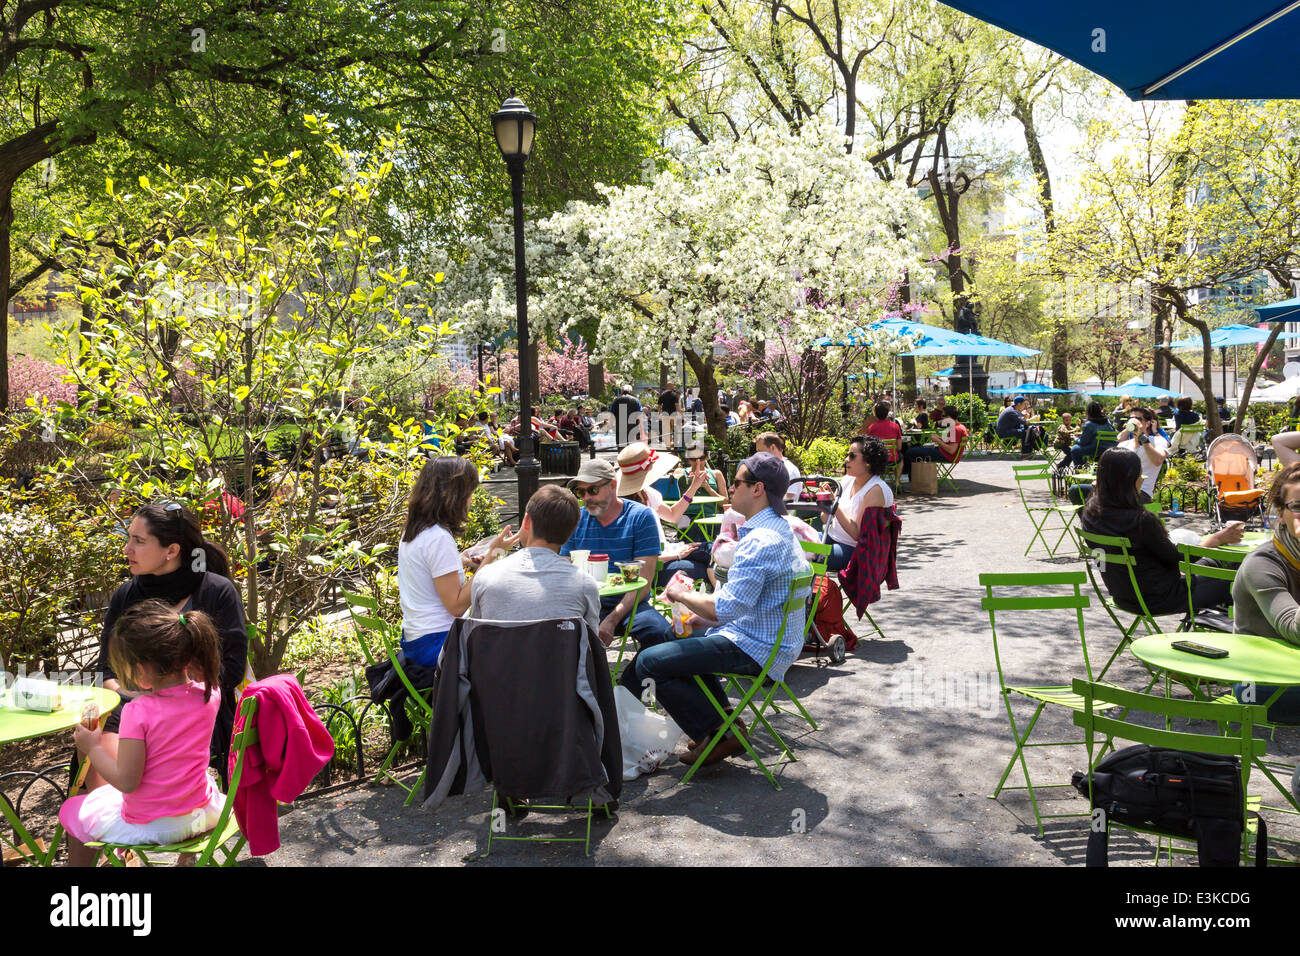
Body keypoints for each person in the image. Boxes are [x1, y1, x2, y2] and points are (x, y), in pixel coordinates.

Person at [642, 452, 810, 767]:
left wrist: (679, 594)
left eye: (736, 483)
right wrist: (701, 615)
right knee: (674, 635)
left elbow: (728, 608)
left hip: (756, 646)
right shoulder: (779, 529)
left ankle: (716, 731)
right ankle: (722, 727)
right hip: (767, 638)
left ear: (758, 489)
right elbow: (745, 602)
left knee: (651, 663)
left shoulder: (761, 540)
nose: (730, 489)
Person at [91, 501, 248, 791]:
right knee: (96, 780)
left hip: (198, 714)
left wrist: (169, 703)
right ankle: (105, 829)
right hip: (131, 711)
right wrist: (138, 702)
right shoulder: (125, 596)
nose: (127, 549)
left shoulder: (215, 591)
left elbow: (230, 671)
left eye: (138, 541)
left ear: (172, 550)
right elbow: (105, 671)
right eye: (129, 538)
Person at [62, 601, 228, 866]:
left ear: (141, 671)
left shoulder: (138, 713)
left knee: (75, 809)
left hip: (154, 825)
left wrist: (92, 747)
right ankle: (188, 857)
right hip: (200, 814)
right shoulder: (210, 694)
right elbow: (174, 703)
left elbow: (127, 782)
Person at [1079, 448, 1241, 617]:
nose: (1142, 478)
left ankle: (1202, 623)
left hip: (1124, 595)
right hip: (1161, 597)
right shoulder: (1140, 520)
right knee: (1236, 580)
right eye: (1140, 474)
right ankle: (1226, 631)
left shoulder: (1090, 514)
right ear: (1130, 479)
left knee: (1212, 563)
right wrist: (1216, 539)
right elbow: (1176, 560)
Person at [560, 458, 672, 693]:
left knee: (661, 634)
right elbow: (563, 569)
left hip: (629, 603)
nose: (586, 497)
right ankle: (574, 700)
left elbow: (643, 584)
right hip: (583, 604)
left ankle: (626, 693)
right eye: (580, 491)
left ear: (613, 485)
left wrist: (611, 619)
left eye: (592, 489)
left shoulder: (640, 517)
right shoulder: (575, 519)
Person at [398, 457, 517, 669]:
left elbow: (428, 570)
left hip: (416, 639)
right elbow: (456, 605)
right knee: (515, 648)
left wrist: (460, 559)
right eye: (470, 491)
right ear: (455, 495)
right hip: (439, 644)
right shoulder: (437, 538)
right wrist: (493, 555)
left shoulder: (414, 531)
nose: (472, 498)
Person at [470, 485, 600, 632]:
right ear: (570, 532)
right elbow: (590, 646)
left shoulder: (486, 577)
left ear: (526, 521)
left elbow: (476, 638)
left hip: (500, 655)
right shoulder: (585, 585)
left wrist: (495, 552)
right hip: (557, 655)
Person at [1229, 461, 1300, 723]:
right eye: (1298, 507)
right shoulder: (1262, 563)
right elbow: (1294, 630)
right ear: (1280, 513)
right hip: (1260, 684)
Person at [618, 443, 711, 585]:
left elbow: (672, 515)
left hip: (670, 553)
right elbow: (635, 557)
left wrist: (694, 487)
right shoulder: (623, 508)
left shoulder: (647, 493)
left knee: (715, 549)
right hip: (654, 567)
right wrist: (676, 555)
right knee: (704, 568)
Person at [821, 436, 893, 571]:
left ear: (868, 462)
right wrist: (826, 503)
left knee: (803, 554)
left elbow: (856, 534)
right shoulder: (848, 480)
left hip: (853, 550)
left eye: (852, 456)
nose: (846, 460)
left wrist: (834, 505)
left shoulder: (876, 490)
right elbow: (825, 519)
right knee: (791, 543)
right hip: (831, 536)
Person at [1117, 406, 1169, 502]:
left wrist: (1141, 436)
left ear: (1148, 423)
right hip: (1119, 489)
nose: (1134, 421)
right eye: (1131, 419)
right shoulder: (1124, 444)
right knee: (1082, 490)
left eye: (1138, 419)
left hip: (1141, 492)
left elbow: (1158, 461)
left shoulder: (1158, 441)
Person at [902, 404, 967, 479]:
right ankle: (919, 478)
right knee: (916, 448)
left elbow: (951, 450)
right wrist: (939, 439)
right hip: (946, 454)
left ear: (948, 417)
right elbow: (952, 444)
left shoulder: (955, 429)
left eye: (943, 416)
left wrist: (938, 441)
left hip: (946, 455)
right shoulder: (960, 427)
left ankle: (915, 481)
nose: (941, 418)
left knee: (910, 452)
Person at [754, 431, 801, 499]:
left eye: (760, 451)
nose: (757, 455)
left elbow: (787, 500)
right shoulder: (767, 469)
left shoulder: (789, 470)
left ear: (773, 448)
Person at [1070, 401, 1117, 467]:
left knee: (1075, 449)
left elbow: (1083, 442)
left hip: (1097, 449)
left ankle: (1080, 469)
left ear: (1088, 412)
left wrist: (1075, 438)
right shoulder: (1107, 421)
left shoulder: (1089, 424)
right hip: (1111, 447)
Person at [865, 401, 904, 466]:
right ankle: (897, 476)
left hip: (877, 459)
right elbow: (899, 447)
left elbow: (869, 446)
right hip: (892, 458)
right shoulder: (895, 426)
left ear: (876, 414)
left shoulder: (871, 427)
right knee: (901, 457)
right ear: (887, 413)